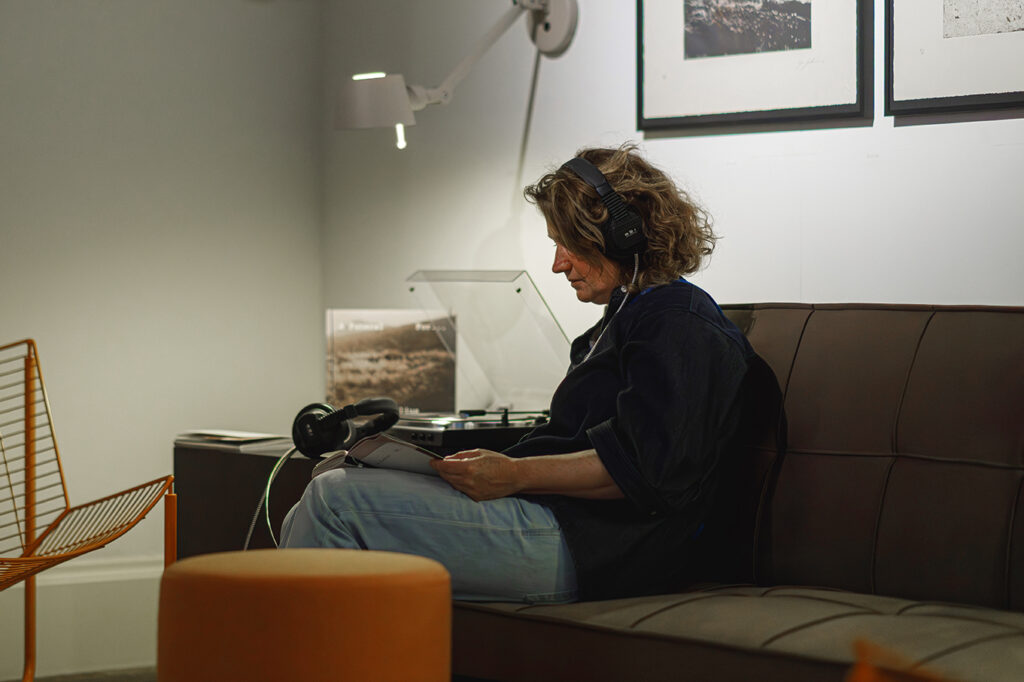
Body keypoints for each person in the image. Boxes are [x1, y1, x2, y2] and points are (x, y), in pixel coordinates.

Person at [280, 143, 760, 603]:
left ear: (624, 235)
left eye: (569, 244)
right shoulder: (628, 317)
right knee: (317, 496)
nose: (557, 264)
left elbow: (645, 470)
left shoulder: (679, 323)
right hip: (559, 521)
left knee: (334, 501)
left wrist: (513, 474)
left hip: (598, 546)